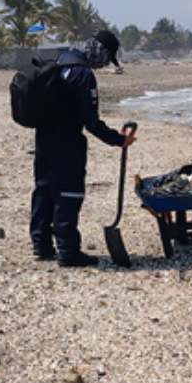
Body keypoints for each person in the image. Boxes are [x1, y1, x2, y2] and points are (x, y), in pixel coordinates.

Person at [32, 29, 137, 267]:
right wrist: (118, 140)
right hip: (67, 142)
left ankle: (41, 244)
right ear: (101, 52)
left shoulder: (61, 60)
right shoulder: (83, 74)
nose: (103, 65)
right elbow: (91, 121)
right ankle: (68, 251)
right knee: (69, 193)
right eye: (106, 58)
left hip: (44, 137)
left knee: (45, 189)